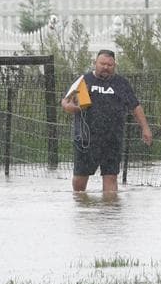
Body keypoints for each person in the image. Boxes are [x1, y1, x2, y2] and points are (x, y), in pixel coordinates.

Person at [61, 49, 153, 197]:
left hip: (112, 139)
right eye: (102, 63)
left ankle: (109, 213)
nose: (105, 67)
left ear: (114, 65)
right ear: (95, 63)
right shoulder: (83, 80)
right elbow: (65, 102)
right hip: (86, 139)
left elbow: (135, 106)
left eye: (109, 65)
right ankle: (80, 206)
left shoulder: (121, 84)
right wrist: (72, 107)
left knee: (111, 177)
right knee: (80, 179)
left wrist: (145, 128)